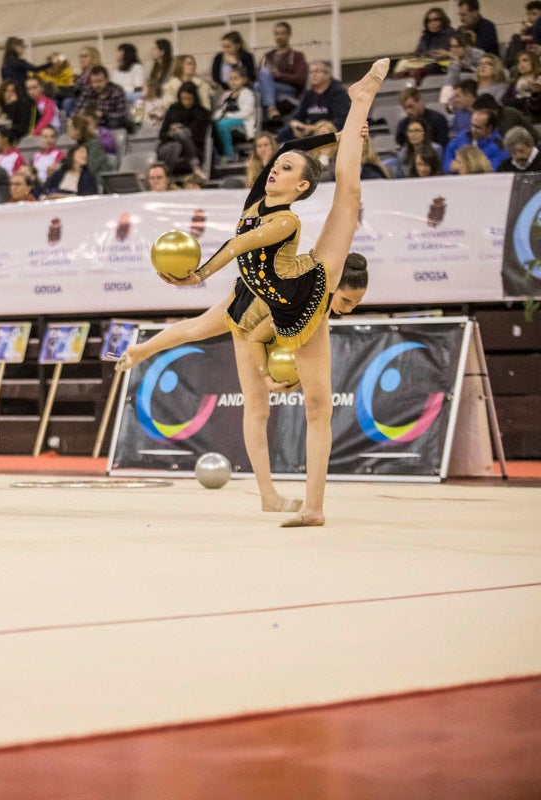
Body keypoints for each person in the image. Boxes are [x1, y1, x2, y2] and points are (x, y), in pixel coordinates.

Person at [152, 59, 390, 527]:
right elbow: (292, 145)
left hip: (313, 286)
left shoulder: (286, 219)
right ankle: (355, 108)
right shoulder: (259, 200)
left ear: (300, 186)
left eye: (286, 170)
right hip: (280, 309)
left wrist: (199, 274)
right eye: (275, 167)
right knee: (295, 392)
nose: (274, 170)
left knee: (349, 194)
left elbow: (240, 244)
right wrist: (333, 139)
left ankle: (315, 508)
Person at [116, 253, 370, 514]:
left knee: (198, 327)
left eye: (357, 303)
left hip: (266, 295)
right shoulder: (308, 294)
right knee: (257, 406)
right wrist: (267, 376)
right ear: (333, 285)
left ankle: (141, 350)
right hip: (252, 311)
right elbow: (261, 338)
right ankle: (268, 496)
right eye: (347, 300)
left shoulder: (321, 289)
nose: (350, 309)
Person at [278, 60, 350, 142]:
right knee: (284, 133)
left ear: (327, 75)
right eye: (310, 72)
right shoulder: (309, 94)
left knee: (321, 133)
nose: (313, 75)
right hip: (310, 133)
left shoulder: (338, 92)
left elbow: (340, 122)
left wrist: (312, 128)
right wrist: (295, 124)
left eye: (316, 71)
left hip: (331, 133)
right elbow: (296, 115)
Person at [157, 81, 211, 179]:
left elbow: (201, 139)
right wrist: (171, 133)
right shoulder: (173, 109)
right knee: (177, 140)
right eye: (183, 99)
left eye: (189, 99)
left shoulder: (202, 113)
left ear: (195, 98)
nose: (186, 102)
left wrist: (188, 133)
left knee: (179, 140)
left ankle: (167, 176)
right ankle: (195, 165)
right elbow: (162, 134)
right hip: (168, 146)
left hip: (193, 148)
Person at [258, 22, 308, 121]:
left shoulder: (297, 55)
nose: (279, 37)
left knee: (262, 78)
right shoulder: (268, 55)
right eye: (277, 34)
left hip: (289, 89)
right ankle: (271, 109)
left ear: (289, 34)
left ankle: (271, 107)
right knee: (257, 83)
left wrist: (279, 75)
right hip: (272, 90)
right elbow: (258, 75)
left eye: (282, 33)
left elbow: (301, 79)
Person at [393, 8, 454, 83]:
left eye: (436, 20)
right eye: (429, 21)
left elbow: (439, 52)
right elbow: (418, 53)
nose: (432, 23)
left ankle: (413, 92)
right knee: (402, 64)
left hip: (440, 63)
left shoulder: (450, 34)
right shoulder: (425, 36)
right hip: (424, 60)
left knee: (417, 72)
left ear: (442, 21)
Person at [212, 67, 258, 161]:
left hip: (243, 121)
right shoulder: (226, 94)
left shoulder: (247, 93)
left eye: (236, 79)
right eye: (231, 79)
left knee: (223, 124)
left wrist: (228, 116)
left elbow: (246, 113)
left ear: (244, 80)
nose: (233, 82)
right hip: (226, 120)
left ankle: (229, 154)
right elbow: (221, 109)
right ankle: (217, 155)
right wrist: (215, 117)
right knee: (213, 125)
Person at [443, 109, 508, 172]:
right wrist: (450, 167)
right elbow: (447, 160)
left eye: (478, 127)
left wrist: (462, 167)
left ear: (489, 128)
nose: (473, 130)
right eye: (472, 125)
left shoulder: (500, 148)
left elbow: (491, 170)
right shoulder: (462, 137)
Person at [76, 66, 134, 131]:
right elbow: (77, 111)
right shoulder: (88, 92)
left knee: (114, 123)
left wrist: (103, 115)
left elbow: (122, 114)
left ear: (107, 80)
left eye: (100, 81)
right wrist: (85, 114)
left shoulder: (116, 91)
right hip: (93, 123)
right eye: (94, 82)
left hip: (111, 122)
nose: (97, 85)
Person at [65, 113, 110, 181]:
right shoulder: (78, 146)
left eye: (69, 128)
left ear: (78, 130)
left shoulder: (95, 145)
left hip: (95, 183)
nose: (67, 131)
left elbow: (91, 168)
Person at [505, 50, 541, 118]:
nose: (521, 64)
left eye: (525, 60)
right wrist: (526, 100)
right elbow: (506, 100)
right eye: (518, 62)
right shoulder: (514, 82)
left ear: (534, 62)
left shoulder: (539, 79)